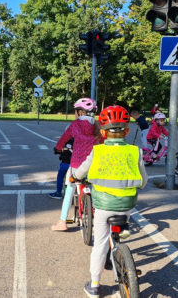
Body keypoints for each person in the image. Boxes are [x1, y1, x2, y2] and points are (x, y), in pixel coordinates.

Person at [70, 105, 147, 298]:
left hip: (103, 205)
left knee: (100, 244)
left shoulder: (98, 151)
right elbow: (144, 181)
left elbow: (81, 172)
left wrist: (74, 177)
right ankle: (122, 239)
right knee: (121, 222)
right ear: (127, 131)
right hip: (128, 204)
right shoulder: (134, 151)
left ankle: (94, 286)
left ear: (103, 132)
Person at [50, 97, 100, 231]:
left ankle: (62, 222)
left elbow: (64, 138)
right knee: (96, 188)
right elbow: (103, 140)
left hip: (77, 164)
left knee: (70, 188)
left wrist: (58, 148)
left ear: (80, 112)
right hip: (95, 164)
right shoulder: (97, 125)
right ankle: (98, 215)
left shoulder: (75, 124)